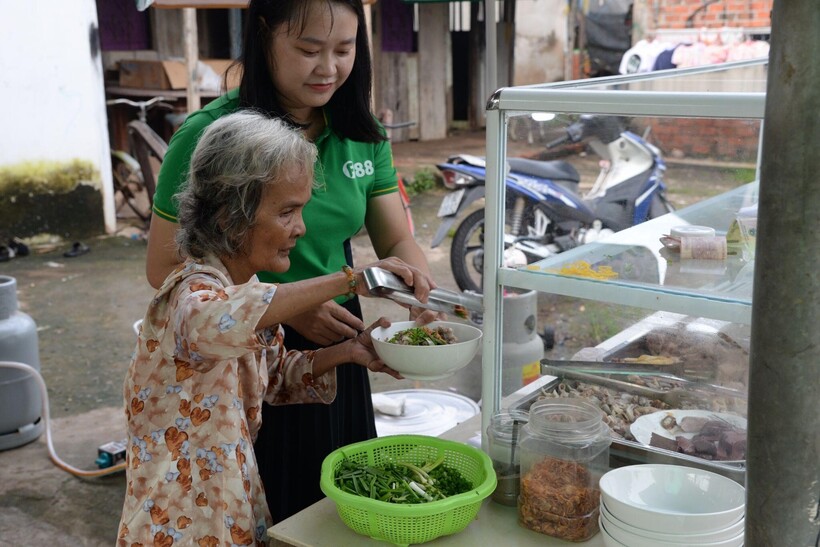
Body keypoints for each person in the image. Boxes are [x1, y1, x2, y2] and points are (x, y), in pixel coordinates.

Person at [146, 0, 440, 523]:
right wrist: (293, 308)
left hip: (336, 345)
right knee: (266, 501)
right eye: (309, 49)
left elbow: (397, 238)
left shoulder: (358, 130)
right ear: (264, 36)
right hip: (243, 342)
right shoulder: (211, 135)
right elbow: (165, 267)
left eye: (344, 50)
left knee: (344, 500)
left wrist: (416, 295)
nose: (328, 68)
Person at [118, 111, 432, 545]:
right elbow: (212, 321)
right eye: (287, 212)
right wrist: (351, 279)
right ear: (230, 216)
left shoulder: (241, 290)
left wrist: (349, 351)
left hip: (232, 506)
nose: (300, 229)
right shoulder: (191, 294)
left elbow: (275, 375)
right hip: (179, 525)